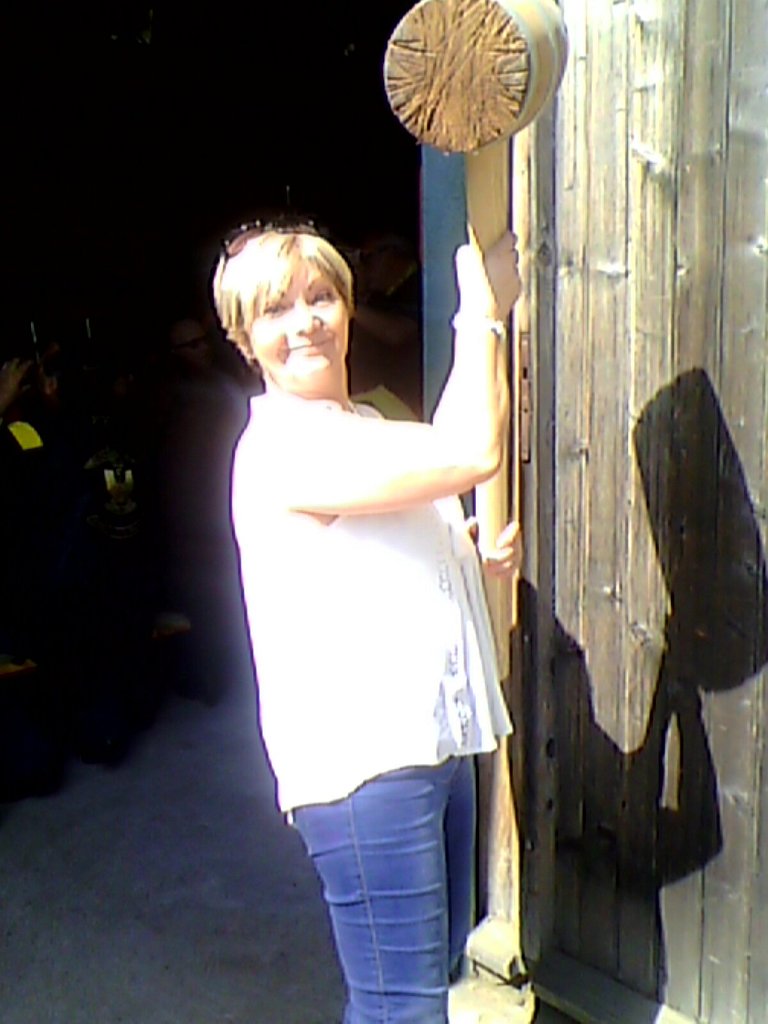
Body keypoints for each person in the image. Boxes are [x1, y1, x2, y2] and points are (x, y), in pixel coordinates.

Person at [211, 218, 523, 1023]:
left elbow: (426, 491)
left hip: (434, 744)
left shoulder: (369, 428)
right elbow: (469, 451)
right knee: (400, 1008)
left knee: (425, 984)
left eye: (320, 297)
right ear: (245, 339)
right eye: (275, 309)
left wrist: (467, 553)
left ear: (349, 308)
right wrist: (481, 313)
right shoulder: (281, 449)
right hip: (366, 768)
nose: (305, 322)